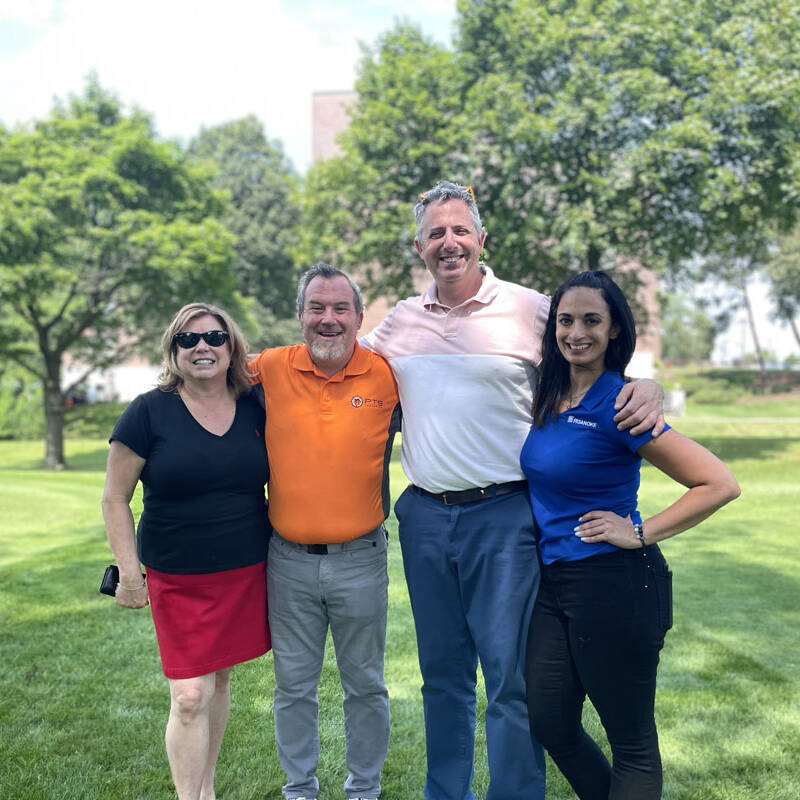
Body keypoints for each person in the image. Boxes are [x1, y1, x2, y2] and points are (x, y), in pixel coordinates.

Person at [360, 181, 664, 800]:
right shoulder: (398, 321)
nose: (449, 243)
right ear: (420, 248)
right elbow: (345, 380)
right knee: (441, 677)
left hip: (504, 514)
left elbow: (590, 349)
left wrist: (646, 382)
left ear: (480, 238)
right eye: (435, 234)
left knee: (509, 678)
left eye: (459, 230)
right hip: (423, 516)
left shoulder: (529, 307)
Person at [521, 270, 740, 799]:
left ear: (615, 329)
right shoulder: (548, 393)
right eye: (566, 320)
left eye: (592, 320)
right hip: (553, 586)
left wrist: (640, 532)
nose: (577, 332)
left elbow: (718, 483)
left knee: (633, 746)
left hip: (615, 584)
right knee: (550, 722)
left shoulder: (623, 405)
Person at [101, 303, 270, 800]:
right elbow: (114, 497)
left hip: (243, 569)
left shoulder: (255, 403)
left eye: (216, 337)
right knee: (190, 693)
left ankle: (206, 788)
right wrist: (130, 575)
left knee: (217, 683)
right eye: (189, 339)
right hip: (177, 575)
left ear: (231, 346)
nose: (203, 347)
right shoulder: (147, 412)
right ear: (172, 350)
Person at [248, 264, 400, 800]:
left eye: (340, 309)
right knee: (293, 687)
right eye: (317, 308)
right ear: (300, 316)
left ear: (360, 317)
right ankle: (300, 790)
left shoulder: (388, 374)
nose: (328, 319)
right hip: (287, 560)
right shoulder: (267, 368)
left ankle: (364, 790)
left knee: (365, 685)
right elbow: (201, 370)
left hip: (362, 558)